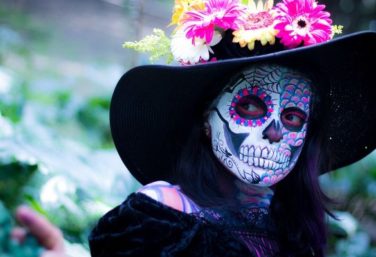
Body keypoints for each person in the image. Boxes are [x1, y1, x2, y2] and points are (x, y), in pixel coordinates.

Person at [88, 0, 376, 256]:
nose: (274, 132)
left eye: (293, 118)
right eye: (250, 107)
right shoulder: (158, 216)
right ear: (205, 117)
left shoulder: (292, 228)